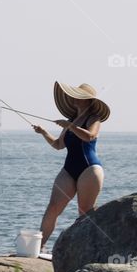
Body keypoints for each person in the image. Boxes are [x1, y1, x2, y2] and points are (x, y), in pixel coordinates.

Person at [32, 82, 110, 252]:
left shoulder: (93, 118)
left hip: (90, 169)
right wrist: (44, 132)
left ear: (88, 100)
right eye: (74, 96)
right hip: (69, 169)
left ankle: (84, 252)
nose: (74, 99)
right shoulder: (71, 120)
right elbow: (59, 145)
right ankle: (39, 248)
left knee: (84, 214)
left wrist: (71, 127)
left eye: (78, 96)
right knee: (53, 208)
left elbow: (90, 136)